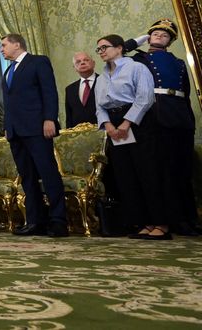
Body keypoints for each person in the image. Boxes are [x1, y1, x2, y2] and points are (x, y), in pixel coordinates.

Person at [124, 19, 198, 235]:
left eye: (165, 35)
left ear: (171, 41)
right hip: (155, 116)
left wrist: (188, 118)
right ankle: (164, 219)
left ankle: (186, 220)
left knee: (181, 170)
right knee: (160, 170)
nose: (159, 36)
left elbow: (185, 93)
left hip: (179, 117)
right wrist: (139, 40)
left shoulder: (179, 63)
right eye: (155, 33)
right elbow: (120, 52)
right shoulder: (139, 59)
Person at [94, 34, 167, 239]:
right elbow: (99, 107)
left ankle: (161, 223)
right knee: (126, 175)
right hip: (113, 125)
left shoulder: (136, 68)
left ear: (119, 48)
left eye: (105, 47)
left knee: (148, 172)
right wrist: (108, 125)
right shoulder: (101, 77)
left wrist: (126, 124)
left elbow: (145, 98)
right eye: (98, 49)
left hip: (138, 122)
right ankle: (143, 222)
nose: (101, 52)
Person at [0, 33, 68, 238]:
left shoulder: (38, 62)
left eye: (4, 45)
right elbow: (10, 102)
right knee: (27, 177)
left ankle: (58, 221)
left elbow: (49, 92)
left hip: (37, 128)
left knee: (48, 173)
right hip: (15, 131)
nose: (2, 49)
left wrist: (49, 119)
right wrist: (7, 126)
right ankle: (35, 221)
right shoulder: (7, 71)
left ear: (17, 44)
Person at [65, 52, 98, 128]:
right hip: (80, 136)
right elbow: (69, 118)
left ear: (93, 63)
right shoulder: (69, 89)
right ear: (74, 68)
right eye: (78, 62)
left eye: (86, 60)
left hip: (104, 132)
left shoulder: (104, 81)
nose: (82, 63)